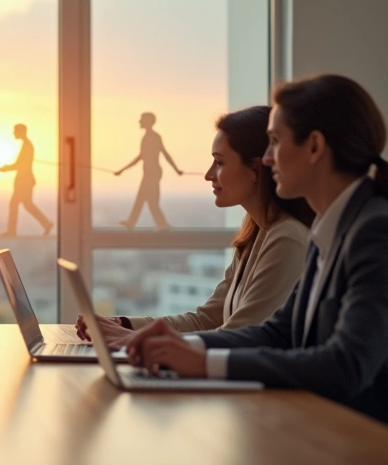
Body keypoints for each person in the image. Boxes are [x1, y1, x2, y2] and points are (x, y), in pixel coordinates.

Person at [124, 74, 388, 429]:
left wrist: (204, 362)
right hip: (323, 431)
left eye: (274, 142)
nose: (266, 159)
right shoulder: (330, 231)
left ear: (314, 147)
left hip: (370, 446)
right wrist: (182, 346)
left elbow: (346, 365)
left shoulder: (381, 235)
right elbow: (278, 333)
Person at [77, 106, 314, 346]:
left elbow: (239, 337)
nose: (209, 174)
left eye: (219, 163)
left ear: (254, 170)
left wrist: (137, 340)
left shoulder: (287, 240)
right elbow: (205, 320)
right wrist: (124, 326)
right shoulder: (256, 231)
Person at [116, 112, 183, 230]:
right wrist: (122, 170)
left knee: (150, 201)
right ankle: (137, 223)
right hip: (150, 173)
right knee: (143, 199)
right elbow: (142, 157)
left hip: (152, 173)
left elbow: (163, 154)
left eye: (141, 120)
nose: (139, 122)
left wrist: (176, 169)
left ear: (148, 122)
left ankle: (161, 225)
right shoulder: (149, 137)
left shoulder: (152, 137)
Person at [0, 124, 53, 236]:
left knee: (14, 204)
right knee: (27, 204)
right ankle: (46, 223)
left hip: (24, 181)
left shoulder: (27, 146)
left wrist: (3, 168)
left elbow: (19, 165)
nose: (14, 133)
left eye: (15, 131)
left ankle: (12, 231)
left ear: (21, 132)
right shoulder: (27, 145)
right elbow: (20, 164)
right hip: (25, 181)